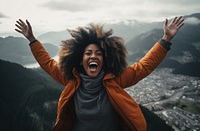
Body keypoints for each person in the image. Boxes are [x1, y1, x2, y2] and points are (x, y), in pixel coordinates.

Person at [15, 16, 184, 131]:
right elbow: (48, 63)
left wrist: (165, 40)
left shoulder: (116, 80)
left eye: (98, 53)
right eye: (88, 53)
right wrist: (32, 40)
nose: (93, 56)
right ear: (80, 59)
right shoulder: (71, 79)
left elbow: (143, 67)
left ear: (105, 59)